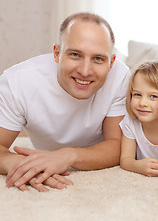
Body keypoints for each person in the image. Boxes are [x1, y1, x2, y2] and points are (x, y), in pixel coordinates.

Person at [0, 12, 130, 192]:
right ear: (56, 53)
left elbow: (117, 146)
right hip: (44, 151)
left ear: (111, 62)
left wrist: (68, 156)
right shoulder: (17, 81)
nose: (85, 71)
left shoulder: (120, 76)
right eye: (75, 55)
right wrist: (16, 162)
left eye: (98, 59)